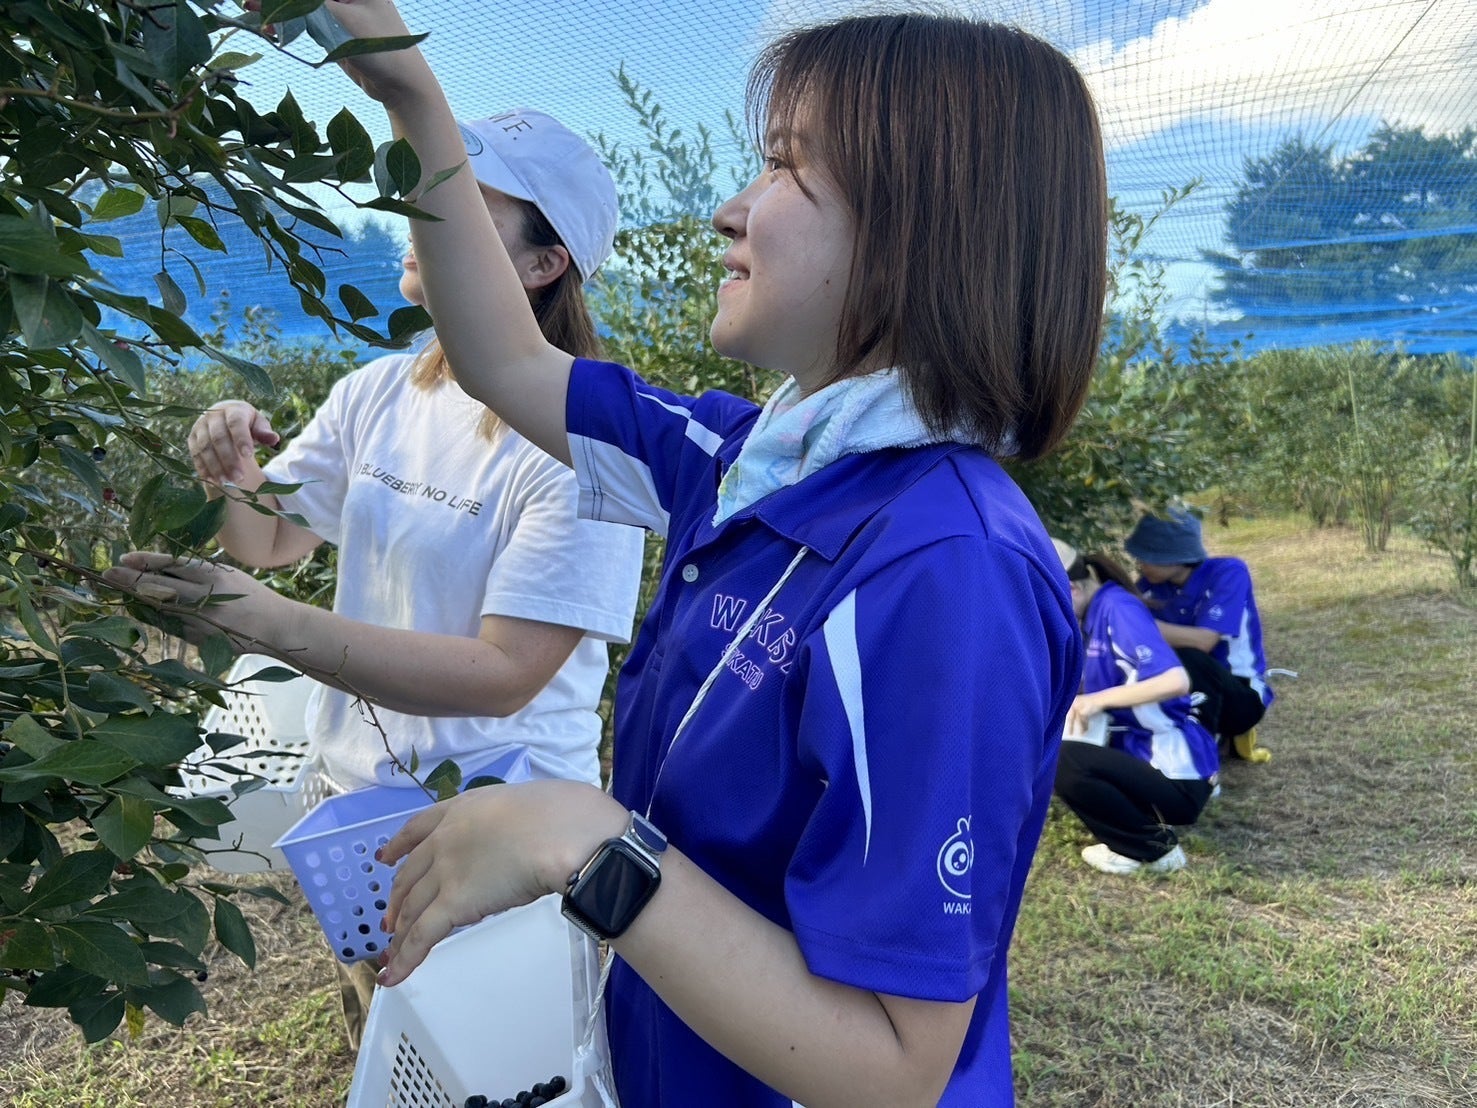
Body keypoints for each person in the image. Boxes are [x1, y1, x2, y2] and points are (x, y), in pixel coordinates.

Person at [316, 5, 1107, 1105]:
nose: (730, 211)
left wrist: (590, 842)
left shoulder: (946, 570)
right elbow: (503, 356)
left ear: (921, 225)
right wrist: (406, 87)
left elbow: (892, 1066)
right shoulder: (742, 463)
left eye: (783, 166)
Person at [105, 107, 646, 1045]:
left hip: (492, 833)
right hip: (359, 816)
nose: (419, 211)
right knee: (385, 1038)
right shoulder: (379, 392)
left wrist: (273, 623)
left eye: (463, 201)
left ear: (541, 264)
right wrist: (233, 471)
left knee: (490, 1060)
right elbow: (272, 542)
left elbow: (506, 675)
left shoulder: (582, 443)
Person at [1050, 539, 1219, 876]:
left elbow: (1176, 680)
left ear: (1072, 589)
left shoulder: (1118, 609)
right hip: (1148, 758)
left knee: (1063, 759)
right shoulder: (1094, 614)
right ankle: (1137, 825)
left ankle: (1151, 849)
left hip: (1175, 774)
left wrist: (1093, 701)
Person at [1124, 506, 1274, 762]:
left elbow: (1204, 641)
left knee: (1191, 658)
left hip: (1240, 696)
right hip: (1184, 689)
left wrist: (1136, 624)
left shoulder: (1228, 572)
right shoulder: (1150, 586)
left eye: (1147, 557)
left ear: (1175, 556)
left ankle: (1201, 760)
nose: (1140, 564)